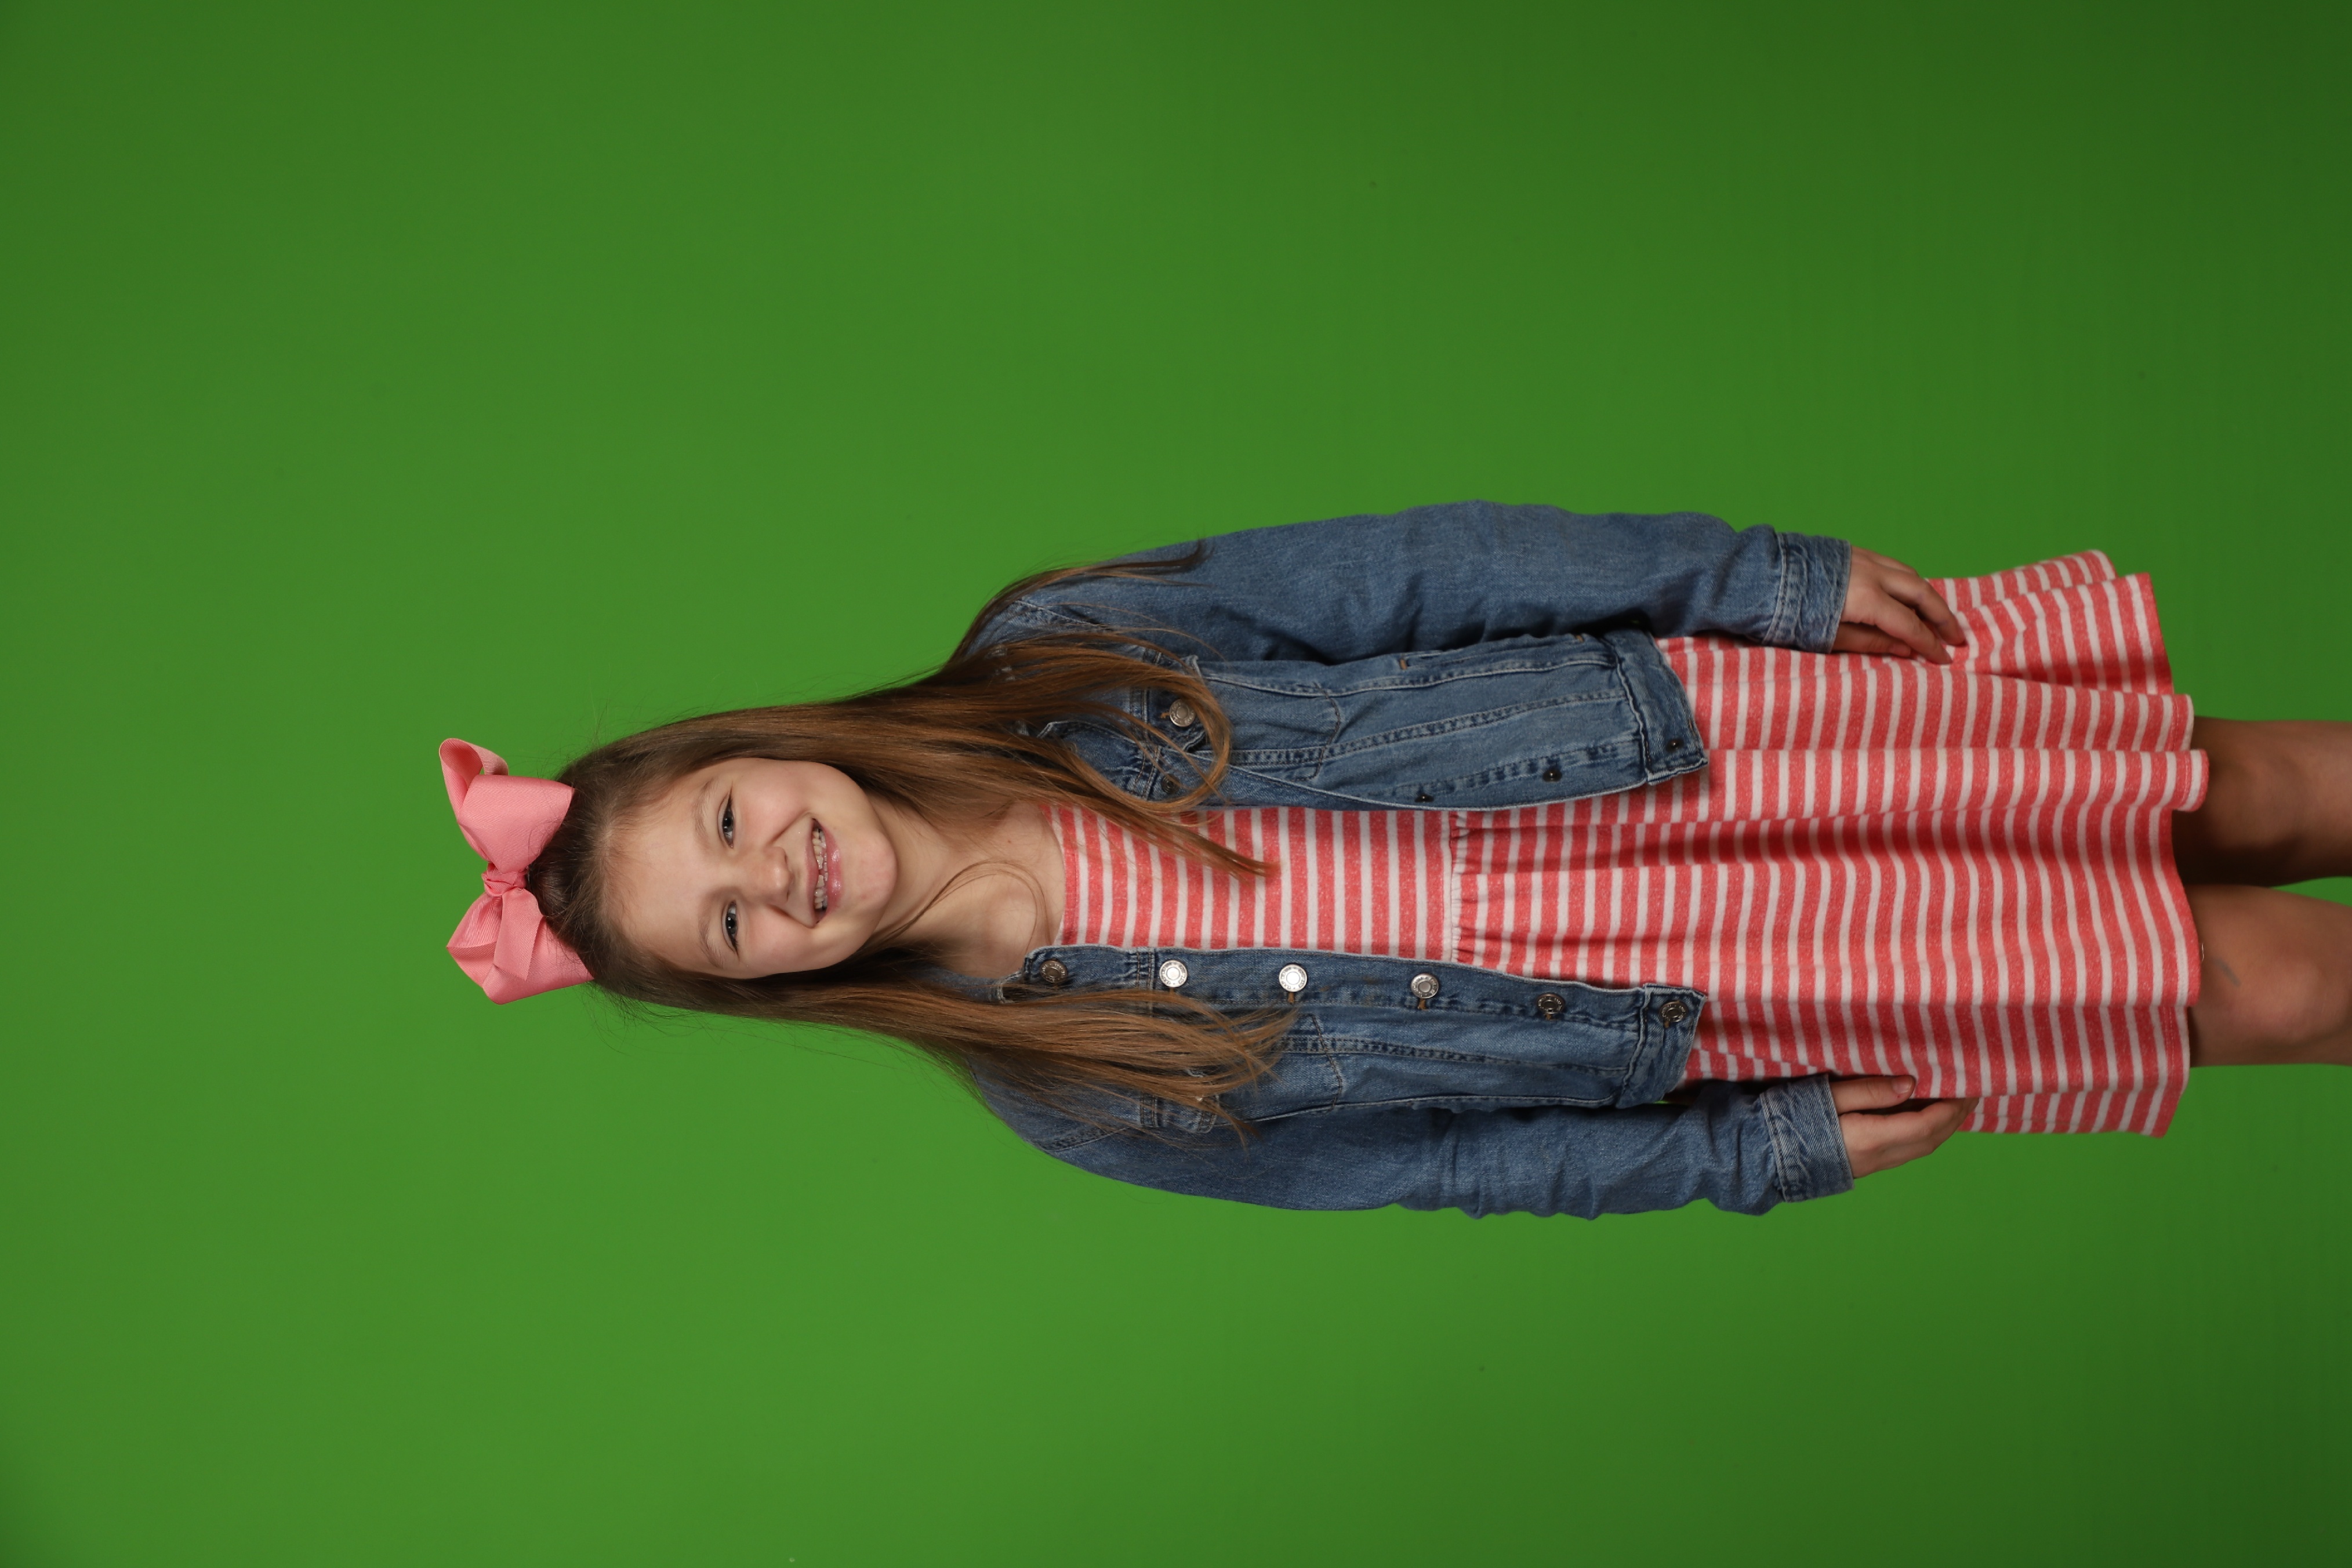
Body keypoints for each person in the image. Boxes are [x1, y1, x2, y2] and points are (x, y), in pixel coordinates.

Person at [437, 500, 2352, 1218]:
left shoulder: (1063, 651)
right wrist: (1741, 1154)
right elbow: (1448, 1164)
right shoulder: (1076, 1089)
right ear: (774, 986)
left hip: (1696, 746)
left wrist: (1747, 580)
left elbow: (1430, 572)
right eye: (732, 927)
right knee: (2270, 986)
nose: (775, 871)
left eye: (725, 820)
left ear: (755, 746)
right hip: (1712, 980)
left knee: (2238, 787)